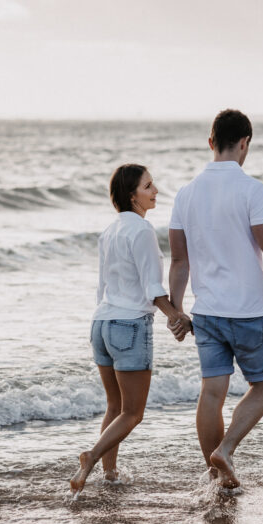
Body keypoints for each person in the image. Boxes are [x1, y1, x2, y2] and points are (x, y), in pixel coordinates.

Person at [168, 109, 263, 489]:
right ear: (245, 143)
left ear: (211, 142)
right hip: (247, 311)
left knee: (212, 391)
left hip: (206, 312)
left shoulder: (185, 193)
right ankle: (224, 451)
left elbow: (179, 260)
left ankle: (215, 479)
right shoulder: (251, 189)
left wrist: (176, 310)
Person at [69, 164, 190, 494]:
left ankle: (109, 475)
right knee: (133, 412)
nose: (155, 191)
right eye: (148, 186)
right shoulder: (142, 231)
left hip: (101, 323)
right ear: (132, 195)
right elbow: (152, 287)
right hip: (129, 327)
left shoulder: (108, 232)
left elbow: (101, 286)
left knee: (114, 406)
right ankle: (92, 457)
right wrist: (178, 316)